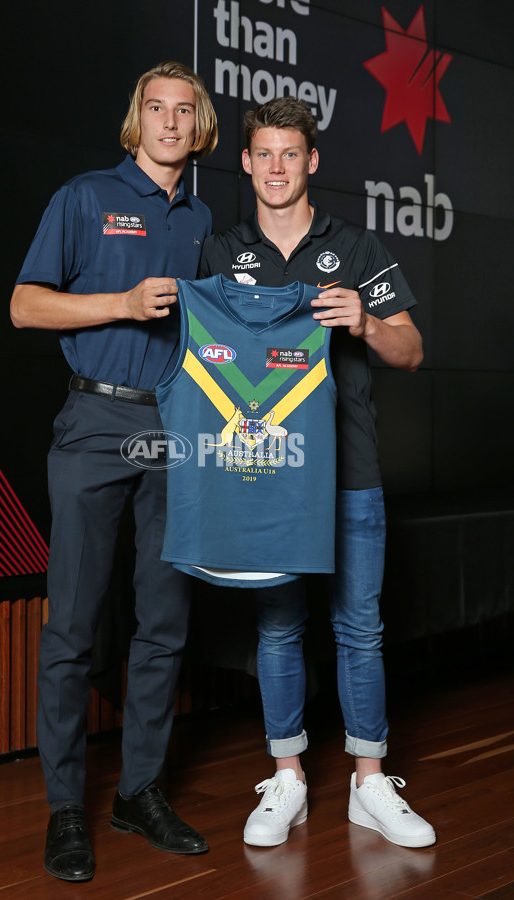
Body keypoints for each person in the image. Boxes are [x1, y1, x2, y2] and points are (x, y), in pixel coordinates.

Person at [198, 97, 436, 850]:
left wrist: (365, 321)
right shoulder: (219, 253)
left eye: (289, 154)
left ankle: (370, 783)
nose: (276, 167)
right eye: (263, 154)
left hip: (351, 471)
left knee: (359, 627)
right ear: (246, 163)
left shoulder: (357, 247)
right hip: (266, 474)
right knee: (278, 628)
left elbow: (412, 350)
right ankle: (288, 779)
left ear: (312, 162)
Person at [10, 61, 218, 882]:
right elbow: (25, 304)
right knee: (73, 626)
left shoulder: (203, 215)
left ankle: (139, 792)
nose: (170, 122)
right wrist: (122, 303)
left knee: (164, 623)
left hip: (174, 429)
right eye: (156, 108)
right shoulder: (87, 195)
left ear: (199, 126)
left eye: (184, 111)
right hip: (96, 422)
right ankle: (67, 808)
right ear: (137, 119)